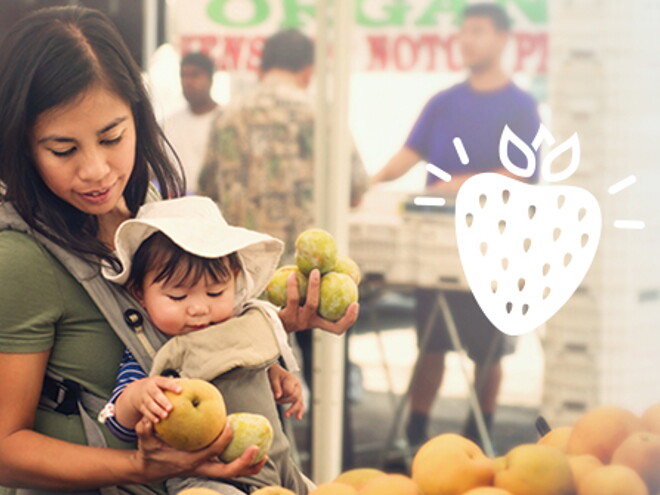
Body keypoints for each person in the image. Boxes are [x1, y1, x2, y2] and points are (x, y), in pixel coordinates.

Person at [0, 7, 357, 494]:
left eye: (112, 137)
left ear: (138, 117)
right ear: (21, 145)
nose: (97, 170)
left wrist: (271, 329)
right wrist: (141, 468)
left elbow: (189, 324)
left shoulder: (153, 215)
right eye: (64, 150)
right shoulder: (21, 258)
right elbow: (6, 447)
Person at [372, 3, 541, 447]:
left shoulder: (521, 106)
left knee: (490, 351)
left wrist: (462, 183)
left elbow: (523, 173)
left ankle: (478, 432)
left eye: (479, 32)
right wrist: (364, 185)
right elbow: (405, 157)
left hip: (495, 247)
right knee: (430, 345)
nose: (468, 40)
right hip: (435, 248)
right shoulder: (442, 102)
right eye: (464, 32)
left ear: (504, 39)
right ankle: (413, 433)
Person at [100, 196, 313, 495]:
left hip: (276, 464)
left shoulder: (236, 326)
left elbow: (245, 365)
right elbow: (117, 421)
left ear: (235, 280)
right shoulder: (151, 346)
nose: (199, 309)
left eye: (215, 293)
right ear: (140, 294)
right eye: (178, 297)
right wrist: (137, 397)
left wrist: (276, 375)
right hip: (208, 478)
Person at [198, 29, 369, 261]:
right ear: (308, 71)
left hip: (242, 264)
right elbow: (355, 190)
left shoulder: (228, 115)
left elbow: (207, 192)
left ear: (261, 68)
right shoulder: (324, 115)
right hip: (306, 267)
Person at [162, 52, 222, 193]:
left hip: (215, 207)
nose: (187, 82)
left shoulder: (226, 122)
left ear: (210, 79)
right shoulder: (168, 124)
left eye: (195, 75)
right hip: (177, 205)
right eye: (183, 76)